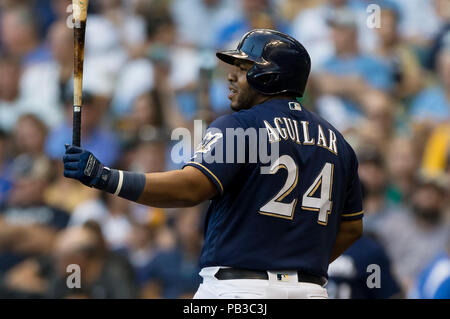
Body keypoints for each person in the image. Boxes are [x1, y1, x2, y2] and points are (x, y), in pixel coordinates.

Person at [63, 29, 363, 299]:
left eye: (244, 68)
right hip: (310, 292)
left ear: (269, 77)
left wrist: (104, 177)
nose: (231, 76)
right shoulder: (340, 144)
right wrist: (298, 265)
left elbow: (190, 188)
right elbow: (351, 228)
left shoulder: (241, 125)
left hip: (239, 289)